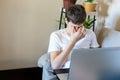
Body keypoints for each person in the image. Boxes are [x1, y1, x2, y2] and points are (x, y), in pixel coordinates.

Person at [48, 4, 99, 69]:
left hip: (86, 70)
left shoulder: (90, 34)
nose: (76, 29)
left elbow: (95, 58)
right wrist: (72, 42)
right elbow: (55, 66)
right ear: (66, 21)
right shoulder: (56, 36)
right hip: (66, 71)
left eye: (80, 26)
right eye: (73, 26)